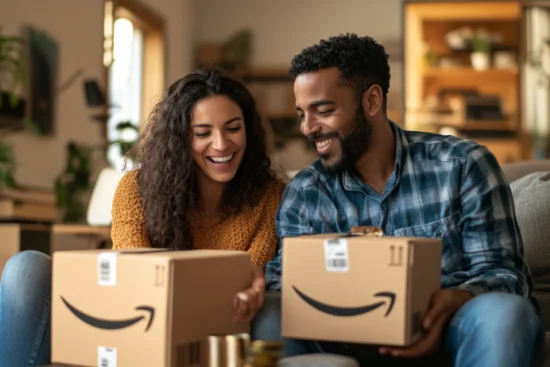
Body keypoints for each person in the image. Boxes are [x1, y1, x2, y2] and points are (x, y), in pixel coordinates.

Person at [256, 34, 545, 366]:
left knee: (506, 314)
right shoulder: (305, 191)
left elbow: (505, 274)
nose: (308, 128)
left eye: (323, 110)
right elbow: (284, 280)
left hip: (449, 329)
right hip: (342, 338)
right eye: (301, 114)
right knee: (269, 315)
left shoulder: (462, 165)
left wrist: (454, 300)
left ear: (372, 101)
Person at [0, 67, 285, 366]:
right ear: (181, 139)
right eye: (202, 133)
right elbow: (130, 279)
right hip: (135, 319)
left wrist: (251, 286)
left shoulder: (270, 194)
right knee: (25, 267)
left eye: (233, 128)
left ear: (248, 130)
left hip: (211, 332)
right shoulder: (136, 190)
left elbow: (253, 267)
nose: (221, 144)